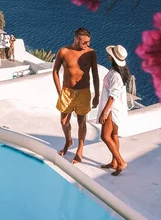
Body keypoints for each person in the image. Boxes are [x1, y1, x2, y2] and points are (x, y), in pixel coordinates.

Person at [53, 27, 99, 164]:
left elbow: (95, 75)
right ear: (77, 39)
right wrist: (59, 91)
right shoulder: (64, 52)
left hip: (84, 92)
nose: (87, 45)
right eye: (85, 42)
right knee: (64, 121)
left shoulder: (91, 53)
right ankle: (69, 140)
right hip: (67, 92)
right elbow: (55, 71)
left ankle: (80, 150)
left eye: (89, 42)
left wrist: (96, 94)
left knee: (81, 122)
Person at [97, 45, 130, 176]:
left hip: (112, 109)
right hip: (117, 108)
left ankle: (121, 162)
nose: (108, 55)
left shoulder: (116, 75)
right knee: (114, 135)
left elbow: (112, 96)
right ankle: (114, 162)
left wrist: (104, 113)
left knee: (105, 136)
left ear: (113, 57)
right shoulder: (119, 70)